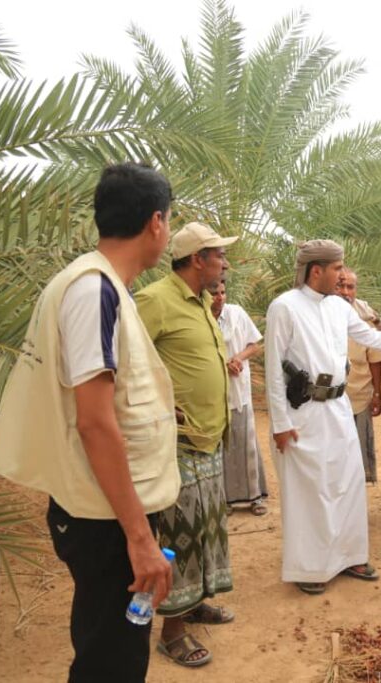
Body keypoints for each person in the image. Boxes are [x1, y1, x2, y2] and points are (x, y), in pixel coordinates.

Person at [0, 162, 180, 682]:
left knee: (109, 646)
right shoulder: (95, 291)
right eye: (170, 223)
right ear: (156, 222)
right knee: (112, 659)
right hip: (106, 517)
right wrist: (139, 538)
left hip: (106, 507)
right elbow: (94, 421)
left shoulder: (100, 285)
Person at [264, 240, 381, 595]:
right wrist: (279, 423)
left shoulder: (338, 306)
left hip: (338, 407)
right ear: (316, 270)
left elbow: (372, 336)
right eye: (337, 269)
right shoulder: (284, 307)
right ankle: (311, 567)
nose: (342, 275)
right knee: (311, 491)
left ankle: (350, 557)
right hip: (302, 412)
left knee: (347, 482)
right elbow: (274, 369)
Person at [135, 221, 237, 667]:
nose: (225, 263)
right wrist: (159, 405)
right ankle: (172, 633)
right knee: (182, 535)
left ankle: (196, 604)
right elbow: (125, 363)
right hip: (177, 444)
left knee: (207, 529)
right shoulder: (155, 301)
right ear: (198, 260)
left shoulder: (201, 302)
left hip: (208, 437)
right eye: (219, 255)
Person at [209, 277, 268, 514]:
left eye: (223, 292)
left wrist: (238, 358)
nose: (220, 297)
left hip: (239, 389)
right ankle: (227, 500)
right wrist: (222, 364)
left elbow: (254, 344)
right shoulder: (199, 316)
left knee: (246, 443)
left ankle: (255, 498)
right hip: (213, 392)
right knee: (222, 446)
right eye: (215, 293)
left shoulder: (236, 313)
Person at [335, 268, 381, 483]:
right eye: (340, 286)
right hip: (331, 397)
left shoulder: (365, 317)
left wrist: (378, 393)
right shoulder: (320, 314)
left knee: (360, 449)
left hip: (360, 394)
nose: (345, 292)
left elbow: (375, 359)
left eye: (350, 287)